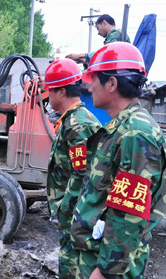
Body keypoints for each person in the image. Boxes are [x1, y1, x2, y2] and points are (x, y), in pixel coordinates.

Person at [71, 42, 166, 279]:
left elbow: (129, 213)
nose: (89, 86)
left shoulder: (136, 133)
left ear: (112, 83)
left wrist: (105, 272)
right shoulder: (121, 127)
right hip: (98, 255)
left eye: (94, 79)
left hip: (111, 267)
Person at [44, 59, 101, 279]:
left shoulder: (78, 124)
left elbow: (83, 173)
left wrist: (64, 207)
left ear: (60, 92)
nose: (48, 96)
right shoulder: (71, 120)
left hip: (77, 214)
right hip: (72, 211)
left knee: (76, 263)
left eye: (50, 90)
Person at [66, 14, 130, 65]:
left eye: (98, 28)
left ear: (104, 23)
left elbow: (106, 53)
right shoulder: (114, 35)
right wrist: (83, 60)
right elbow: (104, 57)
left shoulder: (116, 33)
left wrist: (80, 55)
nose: (98, 33)